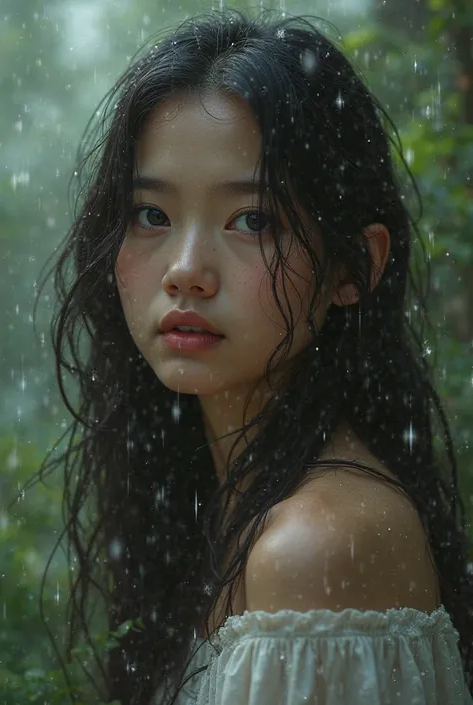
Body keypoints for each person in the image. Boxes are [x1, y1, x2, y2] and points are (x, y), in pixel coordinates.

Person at [35, 8, 473, 705]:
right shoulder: (232, 502)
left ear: (353, 267)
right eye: (152, 214)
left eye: (253, 219)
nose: (185, 270)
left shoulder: (320, 544)